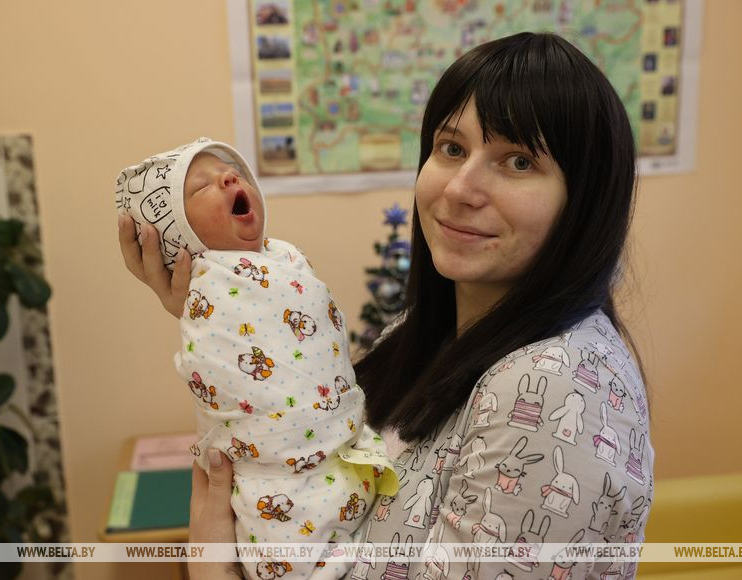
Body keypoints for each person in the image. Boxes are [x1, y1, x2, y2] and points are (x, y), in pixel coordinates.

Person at [118, 32, 654, 579]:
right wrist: (221, 313)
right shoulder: (420, 331)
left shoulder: (556, 388)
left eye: (518, 161)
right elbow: (303, 441)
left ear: (584, 201)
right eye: (452, 149)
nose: (460, 189)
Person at [115, 137, 398, 580]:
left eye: (232, 173)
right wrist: (193, 310)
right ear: (179, 235)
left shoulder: (285, 258)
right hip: (274, 470)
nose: (230, 177)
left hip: (340, 447)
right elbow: (212, 367)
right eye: (201, 186)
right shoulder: (204, 288)